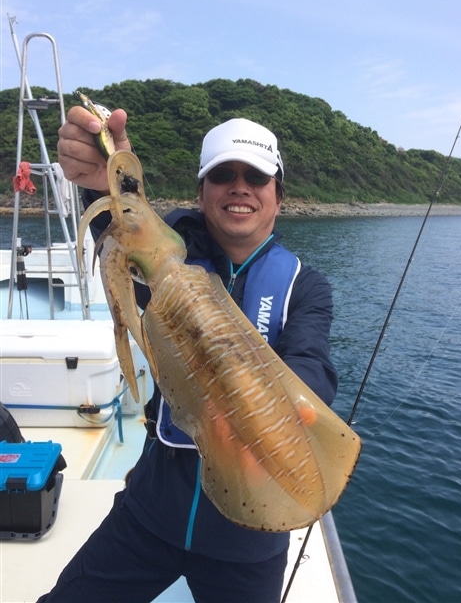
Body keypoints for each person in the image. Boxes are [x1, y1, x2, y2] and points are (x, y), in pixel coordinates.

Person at [37, 108, 338, 603]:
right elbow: (125, 233)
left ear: (278, 197)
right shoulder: (170, 256)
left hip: (247, 542)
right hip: (151, 514)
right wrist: (103, 181)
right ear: (201, 194)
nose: (239, 187)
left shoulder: (305, 287)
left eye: (256, 177)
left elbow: (313, 367)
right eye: (223, 175)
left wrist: (278, 408)